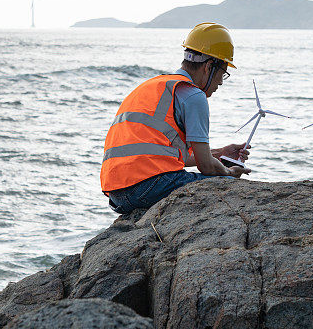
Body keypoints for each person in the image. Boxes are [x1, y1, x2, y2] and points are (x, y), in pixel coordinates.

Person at [101, 22, 250, 213]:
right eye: (223, 73)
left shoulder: (153, 86)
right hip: (148, 186)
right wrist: (229, 173)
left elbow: (169, 158)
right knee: (227, 186)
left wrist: (221, 153)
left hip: (118, 194)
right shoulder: (194, 95)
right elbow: (206, 167)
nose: (221, 81)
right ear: (209, 66)